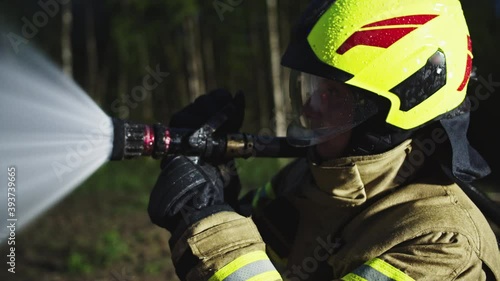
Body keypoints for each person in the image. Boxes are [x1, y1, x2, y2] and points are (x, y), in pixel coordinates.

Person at [147, 0, 500, 280]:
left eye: (335, 93)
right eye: (310, 85)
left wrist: (207, 226)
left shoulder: (444, 247)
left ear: (396, 111)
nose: (311, 107)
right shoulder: (310, 177)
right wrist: (220, 191)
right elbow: (260, 251)